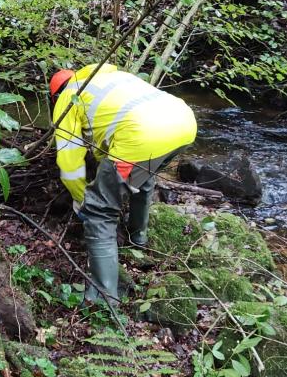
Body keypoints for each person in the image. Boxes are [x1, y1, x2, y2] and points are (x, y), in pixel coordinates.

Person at [50, 64, 197, 304]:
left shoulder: (69, 97)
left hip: (141, 134)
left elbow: (69, 162)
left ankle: (104, 299)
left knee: (99, 212)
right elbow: (111, 134)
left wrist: (82, 199)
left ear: (56, 95)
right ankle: (137, 238)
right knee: (144, 176)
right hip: (184, 122)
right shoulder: (109, 76)